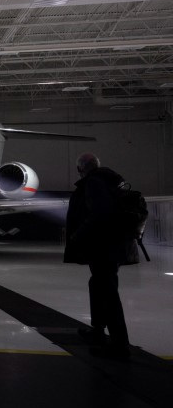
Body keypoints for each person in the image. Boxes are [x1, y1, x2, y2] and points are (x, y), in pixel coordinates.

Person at [64, 152, 131, 359]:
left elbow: (100, 214)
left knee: (108, 293)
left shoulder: (94, 183)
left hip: (103, 247)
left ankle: (120, 344)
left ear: (81, 168)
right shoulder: (109, 180)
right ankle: (98, 330)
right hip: (112, 246)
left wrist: (78, 234)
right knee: (98, 285)